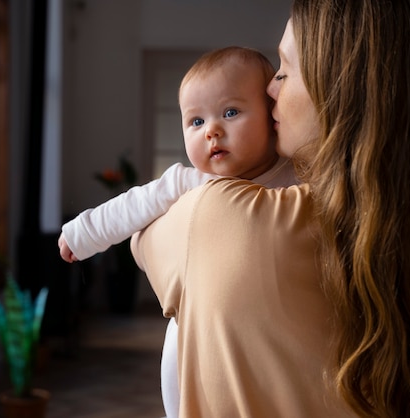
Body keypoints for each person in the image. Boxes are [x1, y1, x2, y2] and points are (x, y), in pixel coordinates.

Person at [130, 0, 410, 417]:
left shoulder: (225, 216)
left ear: (345, 90)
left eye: (283, 71)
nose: (269, 89)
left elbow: (144, 239)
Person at [57, 46, 298, 417]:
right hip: (197, 327)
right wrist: (83, 233)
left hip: (266, 328)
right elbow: (132, 207)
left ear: (271, 117)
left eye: (230, 112)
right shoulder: (188, 181)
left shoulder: (294, 175)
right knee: (180, 368)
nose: (212, 131)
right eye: (195, 122)